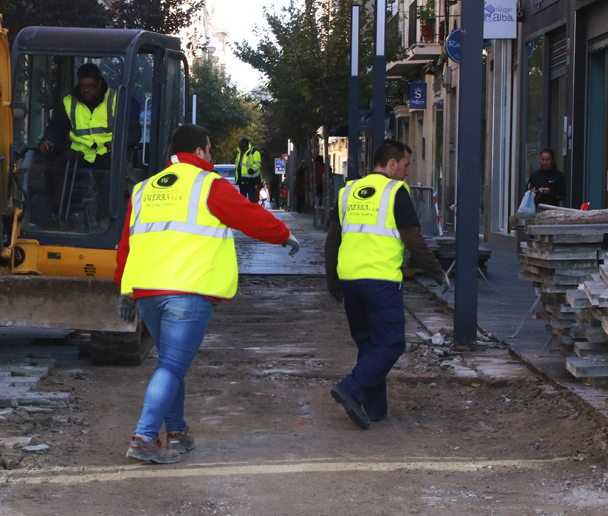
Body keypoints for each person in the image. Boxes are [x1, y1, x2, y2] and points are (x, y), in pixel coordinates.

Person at [115, 124, 300, 463]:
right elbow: (250, 216)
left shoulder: (144, 189)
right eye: (210, 150)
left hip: (147, 292)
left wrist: (124, 291)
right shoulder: (208, 185)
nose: (212, 157)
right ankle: (143, 437)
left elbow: (126, 246)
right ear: (199, 151)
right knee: (172, 365)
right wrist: (283, 234)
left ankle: (178, 432)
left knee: (171, 362)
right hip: (188, 290)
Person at [324, 139, 450, 429]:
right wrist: (438, 273)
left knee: (369, 344)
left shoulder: (347, 192)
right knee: (392, 343)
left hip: (351, 280)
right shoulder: (396, 191)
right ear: (392, 164)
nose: (407, 172)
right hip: (380, 280)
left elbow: (332, 242)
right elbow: (413, 239)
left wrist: (333, 282)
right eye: (406, 165)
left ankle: (375, 407)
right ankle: (351, 387)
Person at [39, 63, 141, 225]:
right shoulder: (69, 102)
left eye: (91, 86)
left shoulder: (116, 100)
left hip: (107, 153)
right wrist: (47, 140)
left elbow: (134, 132)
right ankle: (59, 216)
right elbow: (57, 126)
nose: (86, 90)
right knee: (55, 168)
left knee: (109, 173)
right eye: (82, 86)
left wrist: (117, 144)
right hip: (78, 154)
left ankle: (104, 219)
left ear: (99, 83)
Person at [234, 137, 262, 203]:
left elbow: (257, 163)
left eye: (240, 142)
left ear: (244, 143)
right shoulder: (240, 153)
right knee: (242, 200)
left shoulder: (254, 152)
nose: (239, 144)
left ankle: (252, 212)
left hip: (251, 180)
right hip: (242, 180)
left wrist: (252, 170)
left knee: (251, 199)